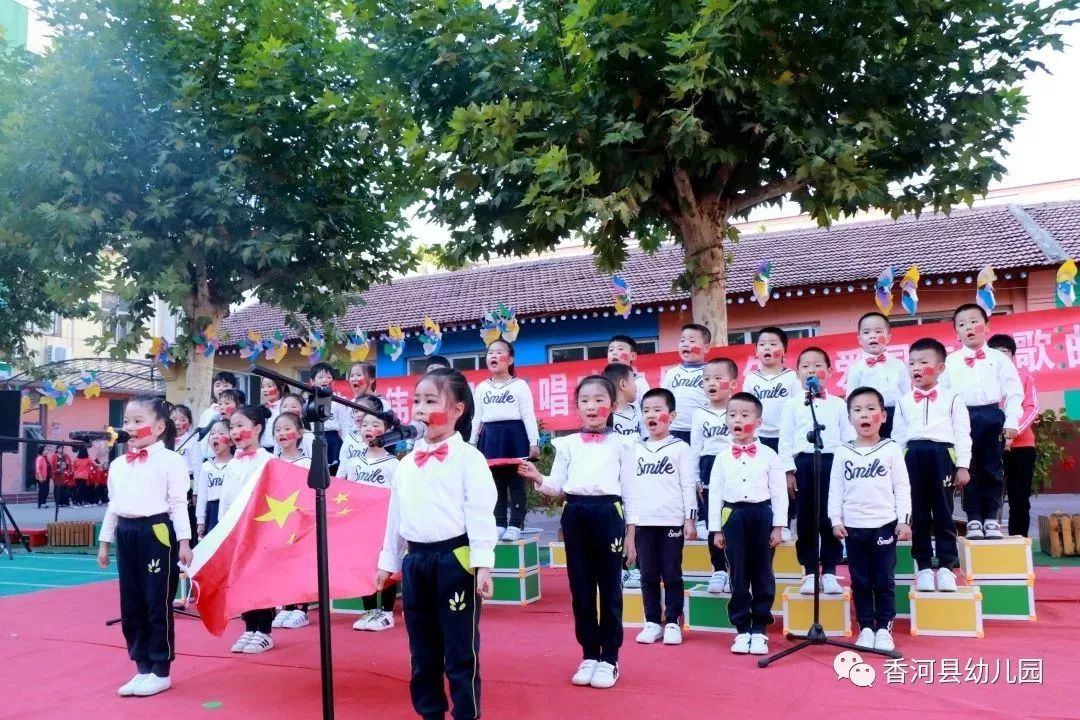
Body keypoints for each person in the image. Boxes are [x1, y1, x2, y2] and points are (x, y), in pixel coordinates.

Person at [375, 368, 496, 720]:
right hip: (416, 563)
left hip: (455, 561)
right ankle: (430, 713)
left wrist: (483, 565)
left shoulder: (469, 459)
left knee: (460, 651)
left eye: (431, 401)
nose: (422, 410)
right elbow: (395, 517)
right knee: (422, 651)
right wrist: (388, 561)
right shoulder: (406, 464)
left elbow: (480, 514)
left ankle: (466, 715)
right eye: (417, 402)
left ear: (457, 410)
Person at [519, 375, 634, 689]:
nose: (592, 406)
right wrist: (537, 477)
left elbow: (632, 492)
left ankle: (610, 658)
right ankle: (589, 654)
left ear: (611, 405)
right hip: (575, 513)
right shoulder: (566, 444)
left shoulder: (624, 444)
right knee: (581, 589)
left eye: (599, 400)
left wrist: (632, 534)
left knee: (609, 590)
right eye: (585, 400)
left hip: (609, 513)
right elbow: (557, 486)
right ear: (577, 406)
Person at [96, 395, 192, 698]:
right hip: (126, 532)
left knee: (156, 602)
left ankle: (161, 669)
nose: (130, 427)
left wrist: (184, 542)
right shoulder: (119, 464)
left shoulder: (171, 461)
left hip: (157, 531)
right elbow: (114, 505)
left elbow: (178, 504)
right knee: (131, 603)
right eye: (127, 421)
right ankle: (141, 666)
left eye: (139, 421)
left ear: (160, 426)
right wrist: (104, 541)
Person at [828, 387, 912, 652]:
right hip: (853, 527)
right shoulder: (842, 451)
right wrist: (835, 519)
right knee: (860, 579)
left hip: (884, 524)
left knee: (883, 578)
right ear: (850, 417)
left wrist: (904, 519)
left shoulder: (891, 448)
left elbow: (902, 486)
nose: (864, 415)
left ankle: (884, 627)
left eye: (870, 408)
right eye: (857, 410)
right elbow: (835, 488)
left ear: (883, 416)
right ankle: (865, 626)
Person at [708, 392, 787, 656]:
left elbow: (778, 493)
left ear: (759, 421)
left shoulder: (769, 455)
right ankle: (741, 627)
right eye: (732, 415)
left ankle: (759, 627)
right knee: (738, 572)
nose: (737, 420)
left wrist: (778, 525)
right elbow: (715, 494)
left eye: (744, 415)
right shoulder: (721, 457)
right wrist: (716, 529)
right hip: (733, 516)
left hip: (762, 515)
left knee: (763, 571)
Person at [893, 338, 972, 592]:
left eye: (923, 362)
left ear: (940, 368)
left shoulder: (952, 399)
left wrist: (963, 465)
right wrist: (896, 466)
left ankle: (947, 567)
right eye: (912, 363)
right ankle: (924, 566)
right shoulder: (904, 401)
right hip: (912, 456)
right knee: (917, 512)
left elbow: (962, 433)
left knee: (943, 512)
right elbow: (898, 436)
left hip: (942, 456)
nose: (916, 367)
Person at [941, 304, 1023, 540]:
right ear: (956, 332)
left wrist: (1012, 420)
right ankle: (974, 518)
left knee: (992, 469)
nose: (968, 328)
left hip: (991, 417)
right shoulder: (951, 361)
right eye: (962, 324)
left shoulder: (998, 358)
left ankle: (991, 518)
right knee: (968, 469)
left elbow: (1014, 392)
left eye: (973, 322)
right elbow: (944, 395)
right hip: (962, 419)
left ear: (987, 326)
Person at [780, 347, 854, 596]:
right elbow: (785, 440)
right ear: (797, 373)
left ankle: (831, 570)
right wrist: (789, 471)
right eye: (806, 366)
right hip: (803, 464)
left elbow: (848, 437)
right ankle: (810, 571)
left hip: (833, 463)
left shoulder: (838, 404)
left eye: (818, 365)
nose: (812, 370)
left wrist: (848, 468)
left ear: (830, 372)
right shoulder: (791, 405)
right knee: (807, 519)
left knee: (830, 517)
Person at [629, 388, 697, 646]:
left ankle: (672, 622)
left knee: (671, 573)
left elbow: (688, 485)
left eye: (658, 410)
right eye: (646, 411)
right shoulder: (635, 449)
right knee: (647, 574)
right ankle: (651, 621)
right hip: (644, 522)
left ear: (672, 415)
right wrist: (630, 524)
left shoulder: (680, 448)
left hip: (671, 522)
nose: (652, 415)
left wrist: (689, 519)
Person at [337, 398, 400, 632]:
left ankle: (386, 612)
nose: (369, 430)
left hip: (384, 523)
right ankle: (369, 610)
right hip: (360, 524)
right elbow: (348, 492)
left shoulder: (393, 464)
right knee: (365, 565)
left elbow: (397, 499)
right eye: (364, 425)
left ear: (387, 430)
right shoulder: (353, 463)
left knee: (386, 562)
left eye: (375, 425)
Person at [470, 340, 540, 542]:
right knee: (495, 484)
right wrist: (472, 443)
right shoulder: (482, 388)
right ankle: (499, 523)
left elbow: (528, 414)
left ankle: (515, 525)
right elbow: (477, 417)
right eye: (490, 352)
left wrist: (533, 441)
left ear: (510, 359)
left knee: (516, 483)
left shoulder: (519, 386)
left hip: (514, 438)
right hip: (490, 439)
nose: (493, 356)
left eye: (499, 352)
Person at [218, 405, 275, 654]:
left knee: (260, 580)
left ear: (258, 428)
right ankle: (249, 626)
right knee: (240, 579)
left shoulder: (269, 461)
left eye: (241, 425)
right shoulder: (232, 464)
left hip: (261, 530)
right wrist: (222, 529)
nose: (235, 431)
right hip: (236, 530)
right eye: (232, 427)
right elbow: (225, 500)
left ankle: (264, 630)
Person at [691, 357, 738, 593]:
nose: (711, 383)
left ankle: (735, 570)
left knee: (733, 522)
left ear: (732, 384)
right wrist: (695, 478)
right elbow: (695, 448)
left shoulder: (738, 410)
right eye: (707, 379)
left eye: (718, 378)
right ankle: (719, 570)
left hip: (735, 466)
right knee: (713, 522)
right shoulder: (699, 414)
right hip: (709, 467)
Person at [988, 333, 1039, 537]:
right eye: (997, 353)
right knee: (990, 496)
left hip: (1022, 447)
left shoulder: (1024, 377)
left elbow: (1031, 408)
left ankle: (1019, 542)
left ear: (1013, 355)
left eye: (1006, 352)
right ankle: (989, 541)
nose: (1002, 356)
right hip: (990, 446)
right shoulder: (982, 379)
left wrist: (1012, 433)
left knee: (1020, 498)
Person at [270, 411, 313, 630]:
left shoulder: (307, 462)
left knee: (299, 563)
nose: (282, 433)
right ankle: (285, 607)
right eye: (278, 430)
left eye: (287, 429)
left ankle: (301, 609)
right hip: (278, 520)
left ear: (299, 432)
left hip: (301, 519)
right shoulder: (270, 462)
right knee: (282, 564)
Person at [843, 312, 909, 438]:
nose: (872, 336)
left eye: (878, 331)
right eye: (866, 332)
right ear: (860, 339)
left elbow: (907, 393)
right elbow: (851, 398)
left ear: (888, 337)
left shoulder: (899, 364)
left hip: (896, 415)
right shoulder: (856, 368)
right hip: (869, 416)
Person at [661, 323, 710, 444]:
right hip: (675, 430)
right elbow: (662, 401)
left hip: (703, 430)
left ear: (706, 348)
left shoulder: (712, 373)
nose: (686, 344)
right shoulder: (671, 373)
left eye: (692, 341)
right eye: (682, 340)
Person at [171, 405, 202, 552]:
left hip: (187, 485)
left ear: (189, 423)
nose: (178, 423)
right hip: (169, 484)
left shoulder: (192, 440)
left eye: (182, 419)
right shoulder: (164, 441)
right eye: (174, 419)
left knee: (186, 518)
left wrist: (196, 491)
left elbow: (197, 467)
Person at [195, 420, 232, 539]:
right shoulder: (206, 466)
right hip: (212, 511)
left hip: (230, 510)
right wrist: (200, 521)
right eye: (212, 433)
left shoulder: (236, 464)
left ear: (231, 440)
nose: (215, 436)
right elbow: (202, 496)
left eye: (221, 433)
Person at [310, 362, 344, 471]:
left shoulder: (338, 402)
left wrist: (346, 446)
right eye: (320, 377)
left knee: (333, 472)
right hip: (314, 439)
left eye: (328, 377)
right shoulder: (308, 403)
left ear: (333, 382)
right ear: (312, 381)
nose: (325, 380)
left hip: (333, 440)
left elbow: (345, 426)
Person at [604, 362, 644, 440]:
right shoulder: (606, 418)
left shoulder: (639, 411)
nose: (636, 387)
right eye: (633, 381)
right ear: (623, 384)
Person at [607, 335, 650, 405]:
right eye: (611, 350)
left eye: (620, 349)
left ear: (633, 356)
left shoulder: (639, 382)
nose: (614, 353)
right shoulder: (603, 382)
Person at [276, 393, 315, 458]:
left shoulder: (309, 437)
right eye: (284, 406)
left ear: (303, 411)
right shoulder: (279, 435)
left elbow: (315, 464)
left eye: (293, 407)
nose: (287, 410)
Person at [259, 378, 286, 452]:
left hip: (280, 450)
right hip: (262, 450)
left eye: (269, 386)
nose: (265, 389)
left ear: (280, 388)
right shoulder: (261, 408)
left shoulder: (285, 407)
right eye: (263, 386)